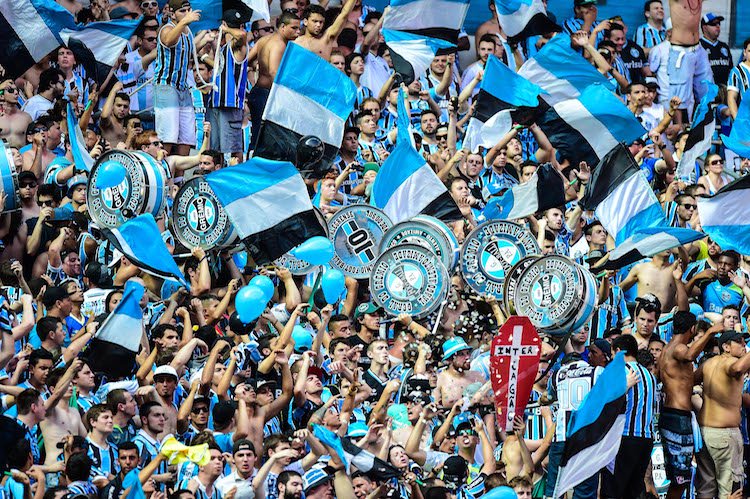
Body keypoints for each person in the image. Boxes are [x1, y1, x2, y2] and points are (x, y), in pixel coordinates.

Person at [658, 312, 721, 499]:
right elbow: (690, 354)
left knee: (680, 477)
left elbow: (686, 381)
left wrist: (708, 368)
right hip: (678, 418)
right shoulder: (678, 348)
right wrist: (710, 332)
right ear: (692, 329)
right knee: (680, 479)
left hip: (675, 416)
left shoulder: (668, 349)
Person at [696, 331, 750, 498]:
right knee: (730, 490)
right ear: (726, 347)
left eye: (744, 342)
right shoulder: (731, 361)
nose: (744, 345)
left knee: (706, 488)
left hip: (704, 433)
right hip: (724, 436)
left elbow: (691, 380)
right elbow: (738, 368)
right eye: (739, 342)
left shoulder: (708, 363)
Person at [153, 0, 201, 156]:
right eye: (182, 11)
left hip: (182, 87)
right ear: (172, 14)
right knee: (167, 136)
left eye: (188, 10)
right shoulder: (167, 29)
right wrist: (185, 21)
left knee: (187, 137)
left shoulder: (188, 31)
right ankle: (162, 168)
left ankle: (179, 172)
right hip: (166, 86)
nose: (187, 14)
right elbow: (168, 41)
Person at [247, 10, 301, 147]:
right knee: (264, 139)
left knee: (259, 135)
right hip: (267, 95)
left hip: (258, 92)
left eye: (299, 28)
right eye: (294, 28)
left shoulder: (263, 40)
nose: (298, 32)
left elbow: (246, 61)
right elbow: (273, 72)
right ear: (282, 27)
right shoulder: (279, 44)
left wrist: (257, 65)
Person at [698, 13, 733, 86]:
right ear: (704, 27)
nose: (718, 26)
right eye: (713, 24)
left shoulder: (724, 47)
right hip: (706, 90)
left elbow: (730, 70)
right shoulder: (698, 46)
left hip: (724, 90)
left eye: (719, 23)